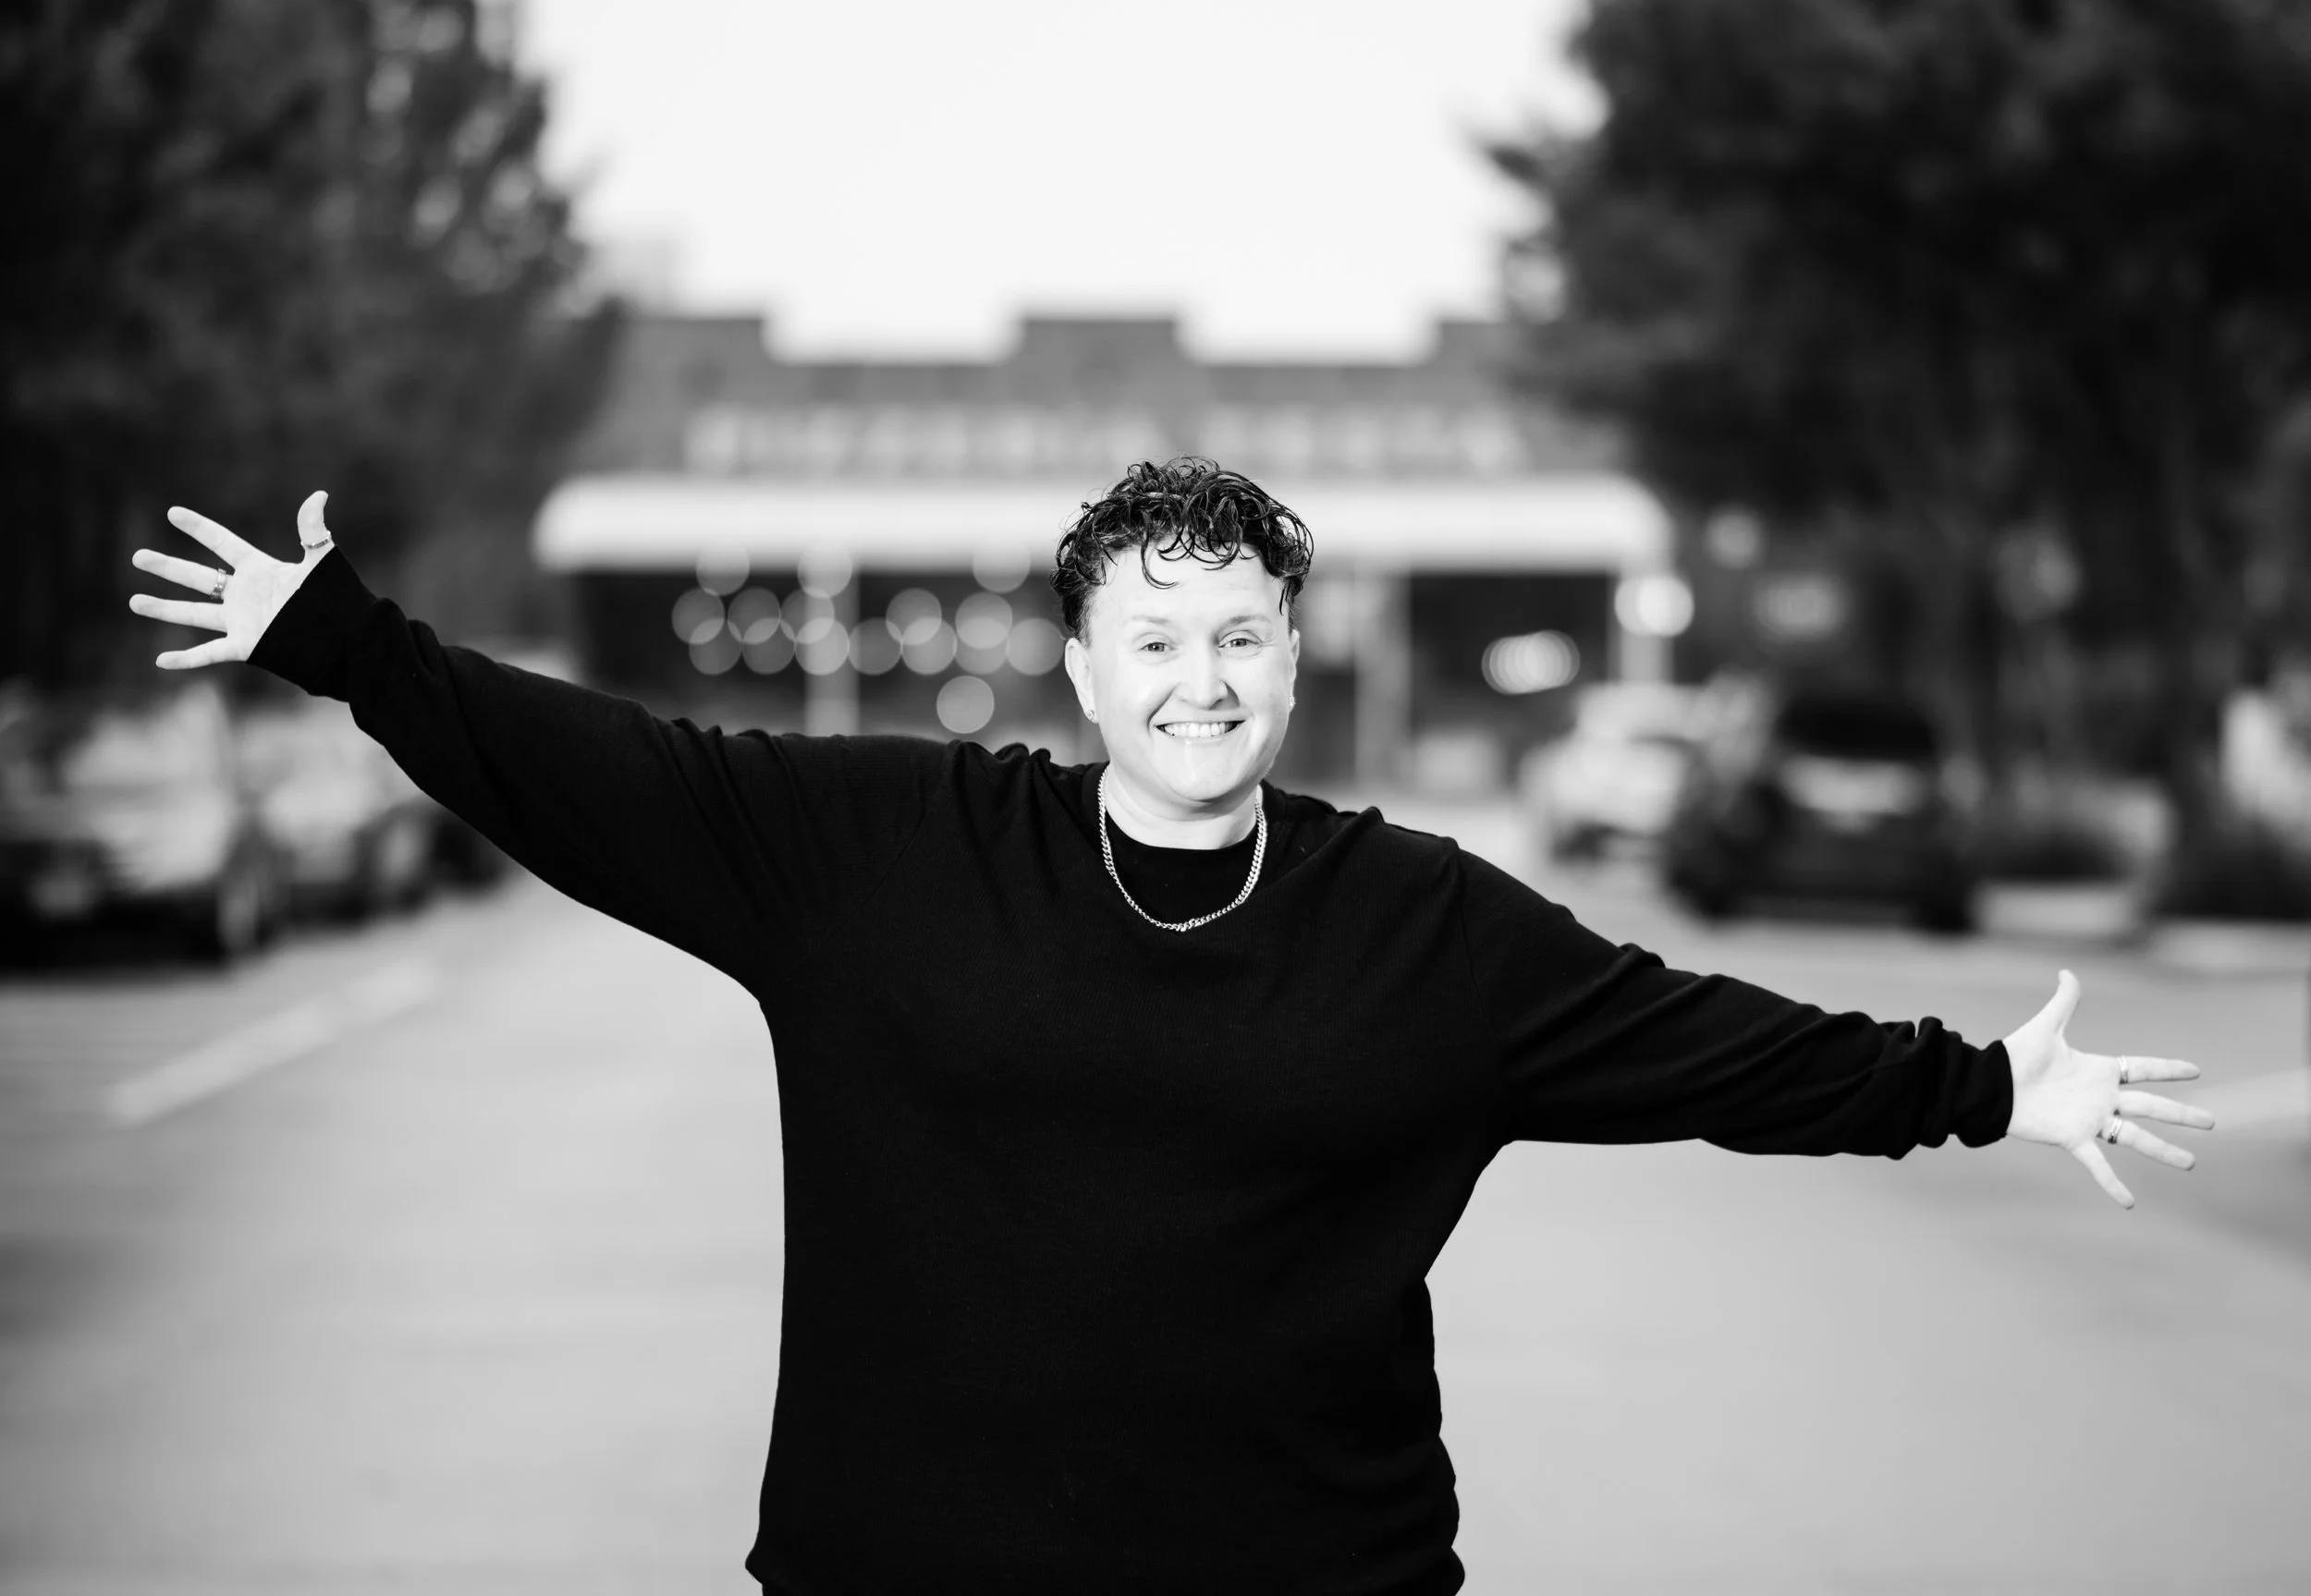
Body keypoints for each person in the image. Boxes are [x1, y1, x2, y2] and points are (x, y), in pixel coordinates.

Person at [129, 458, 2211, 1596]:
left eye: (1239, 637)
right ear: (1083, 661)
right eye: (1155, 635)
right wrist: (347, 645)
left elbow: (1702, 1043)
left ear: (1290, 664)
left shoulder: (1418, 923)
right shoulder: (886, 853)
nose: (1198, 677)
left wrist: (1986, 1084)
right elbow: (601, 769)